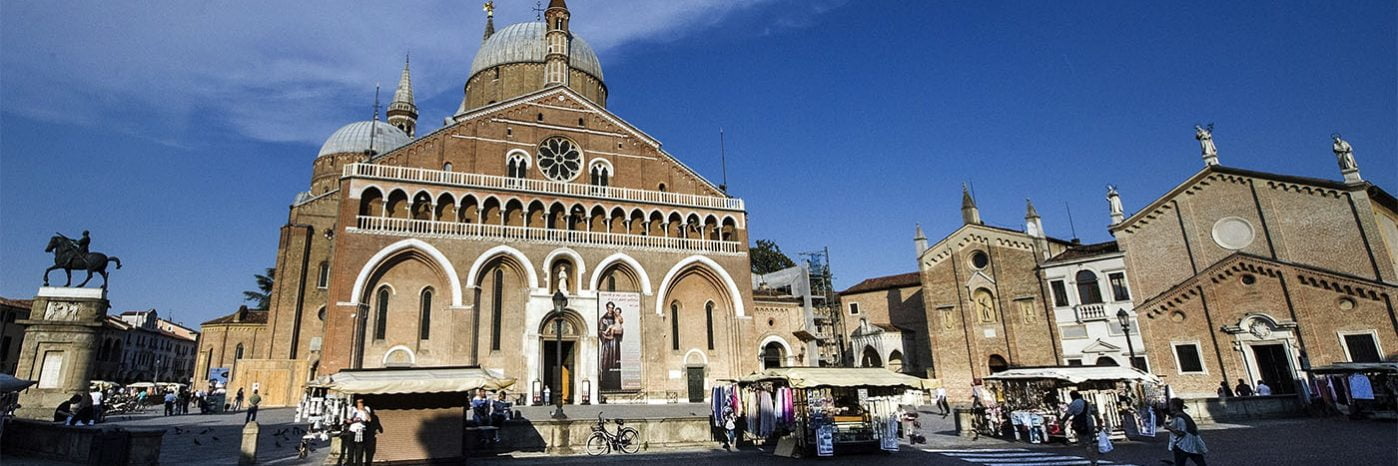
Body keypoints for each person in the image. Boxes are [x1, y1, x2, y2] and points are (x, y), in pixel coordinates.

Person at [1165, 398, 1207, 465]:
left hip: (1183, 444)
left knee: (1180, 463)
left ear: (1175, 406)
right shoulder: (1184, 415)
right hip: (1193, 443)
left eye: (1171, 404)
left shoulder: (1179, 417)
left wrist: (1168, 428)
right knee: (1200, 462)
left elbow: (1181, 433)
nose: (1169, 406)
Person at [1061, 391, 1099, 466]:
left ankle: (1093, 461)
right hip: (1090, 423)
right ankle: (1095, 458)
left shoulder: (1073, 404)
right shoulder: (1087, 403)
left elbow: (1067, 415)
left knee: (1086, 444)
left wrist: (1062, 422)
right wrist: (1099, 423)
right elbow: (1095, 413)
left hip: (1081, 425)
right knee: (1090, 442)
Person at [345, 398, 379, 465]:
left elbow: (369, 419)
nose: (360, 404)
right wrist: (352, 420)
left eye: (361, 402)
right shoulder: (353, 409)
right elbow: (348, 420)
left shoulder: (366, 408)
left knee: (359, 450)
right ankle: (350, 463)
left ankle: (359, 464)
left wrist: (364, 410)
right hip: (352, 430)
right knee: (350, 449)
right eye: (359, 402)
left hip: (360, 430)